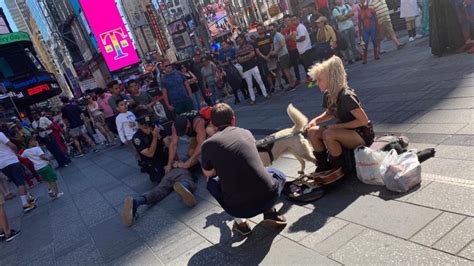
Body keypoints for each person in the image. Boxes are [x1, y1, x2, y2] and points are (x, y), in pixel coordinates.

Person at [202, 103, 287, 236]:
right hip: (269, 196)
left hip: (239, 208)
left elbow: (208, 172)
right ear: (233, 119)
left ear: (212, 123)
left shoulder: (207, 144)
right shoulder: (246, 132)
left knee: (211, 182)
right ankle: (271, 212)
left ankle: (241, 223)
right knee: (274, 172)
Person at [305, 56, 374, 183]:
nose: (317, 83)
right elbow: (329, 113)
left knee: (329, 134)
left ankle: (340, 170)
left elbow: (363, 121)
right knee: (312, 132)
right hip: (347, 131)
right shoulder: (329, 94)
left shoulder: (346, 96)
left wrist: (336, 127)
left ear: (330, 79)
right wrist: (315, 121)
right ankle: (323, 166)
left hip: (362, 134)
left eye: (319, 80)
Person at [122, 139, 199, 227]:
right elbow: (193, 161)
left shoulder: (179, 155)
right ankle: (185, 187)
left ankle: (137, 202)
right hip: (180, 171)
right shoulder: (189, 157)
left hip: (167, 175)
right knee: (186, 179)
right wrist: (181, 163)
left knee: (159, 191)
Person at [0, 131, 36, 212]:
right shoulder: (0, 134)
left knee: (17, 182)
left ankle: (29, 198)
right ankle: (25, 204)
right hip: (11, 160)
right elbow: (12, 145)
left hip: (2, 165)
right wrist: (16, 153)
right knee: (20, 181)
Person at [165, 110, 207, 174]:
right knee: (190, 152)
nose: (183, 134)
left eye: (183, 131)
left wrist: (190, 161)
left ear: (188, 125)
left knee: (196, 154)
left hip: (206, 132)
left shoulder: (198, 122)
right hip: (195, 135)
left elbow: (201, 143)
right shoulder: (175, 125)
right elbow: (173, 145)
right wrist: (169, 164)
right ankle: (190, 164)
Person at [131, 112, 167, 183]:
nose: (149, 129)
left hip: (162, 155)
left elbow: (169, 144)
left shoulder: (157, 128)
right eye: (145, 127)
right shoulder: (137, 138)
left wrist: (174, 160)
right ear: (139, 126)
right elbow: (150, 154)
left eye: (150, 126)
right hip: (152, 162)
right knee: (162, 179)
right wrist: (155, 137)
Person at [236, 34, 270, 105]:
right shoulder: (238, 50)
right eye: (238, 41)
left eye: (240, 40)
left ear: (243, 39)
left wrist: (244, 58)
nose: (239, 42)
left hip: (253, 66)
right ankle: (253, 99)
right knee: (249, 85)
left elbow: (253, 54)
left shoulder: (249, 46)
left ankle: (265, 95)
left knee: (259, 81)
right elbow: (239, 60)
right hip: (245, 69)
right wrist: (247, 57)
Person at [269, 23, 296, 92]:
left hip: (283, 54)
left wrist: (275, 51)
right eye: (270, 30)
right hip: (282, 55)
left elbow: (282, 44)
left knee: (286, 71)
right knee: (286, 70)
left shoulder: (278, 35)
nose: (271, 31)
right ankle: (292, 83)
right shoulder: (275, 36)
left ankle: (291, 85)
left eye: (272, 29)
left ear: (275, 28)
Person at [333, 0, 358, 64]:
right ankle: (349, 59)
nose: (338, 1)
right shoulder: (335, 10)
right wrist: (348, 15)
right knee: (346, 45)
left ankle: (356, 56)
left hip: (351, 26)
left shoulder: (347, 6)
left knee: (353, 43)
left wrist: (344, 16)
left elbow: (352, 13)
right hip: (343, 29)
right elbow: (339, 19)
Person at [254, 24, 275, 93]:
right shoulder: (256, 40)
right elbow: (257, 51)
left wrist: (268, 55)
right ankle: (271, 86)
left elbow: (272, 46)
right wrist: (264, 57)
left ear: (263, 29)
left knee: (276, 71)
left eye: (261, 29)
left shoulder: (268, 37)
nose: (260, 30)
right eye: (258, 29)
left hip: (271, 57)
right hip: (263, 59)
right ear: (257, 31)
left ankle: (280, 84)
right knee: (267, 73)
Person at [282, 15, 302, 85]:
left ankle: (309, 76)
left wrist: (289, 36)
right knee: (294, 64)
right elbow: (285, 39)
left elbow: (294, 36)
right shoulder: (284, 30)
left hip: (297, 47)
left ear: (290, 20)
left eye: (287, 20)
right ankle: (297, 79)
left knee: (303, 62)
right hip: (290, 49)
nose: (287, 22)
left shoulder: (294, 27)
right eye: (285, 21)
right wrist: (290, 36)